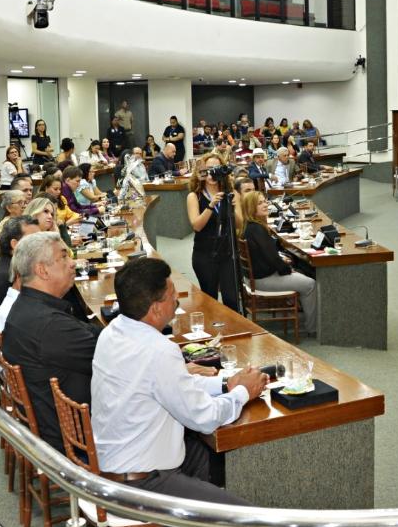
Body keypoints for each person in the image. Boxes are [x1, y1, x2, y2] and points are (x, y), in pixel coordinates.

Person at [91, 256, 266, 505]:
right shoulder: (158, 350)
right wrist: (243, 393)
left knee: (205, 457)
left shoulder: (111, 333)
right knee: (244, 518)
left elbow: (172, 385)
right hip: (143, 483)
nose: (177, 299)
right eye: (172, 293)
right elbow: (205, 419)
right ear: (156, 307)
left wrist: (225, 384)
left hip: (112, 463)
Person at [1, 231, 102, 452]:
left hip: (56, 424)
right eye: (64, 257)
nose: (73, 263)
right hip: (77, 437)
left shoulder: (29, 307)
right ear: (42, 270)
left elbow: (90, 335)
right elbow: (114, 358)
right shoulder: (50, 326)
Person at [237, 191, 318, 336]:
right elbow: (273, 260)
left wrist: (287, 267)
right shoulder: (257, 229)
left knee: (300, 272)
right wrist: (288, 269)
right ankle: (314, 328)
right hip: (263, 280)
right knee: (310, 284)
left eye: (265, 201)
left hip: (255, 278)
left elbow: (270, 256)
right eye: (260, 203)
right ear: (250, 207)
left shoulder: (249, 227)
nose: (265, 205)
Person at [186, 154, 240, 310]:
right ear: (201, 173)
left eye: (216, 169)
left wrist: (233, 208)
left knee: (232, 299)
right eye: (208, 169)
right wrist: (211, 205)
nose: (212, 174)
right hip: (205, 253)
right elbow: (196, 226)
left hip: (227, 253)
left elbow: (239, 224)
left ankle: (234, 332)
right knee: (210, 300)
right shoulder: (193, 196)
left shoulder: (231, 194)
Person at [0, 214, 40, 311]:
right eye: (34, 239)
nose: (41, 244)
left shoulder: (17, 265)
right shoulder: (10, 276)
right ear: (15, 244)